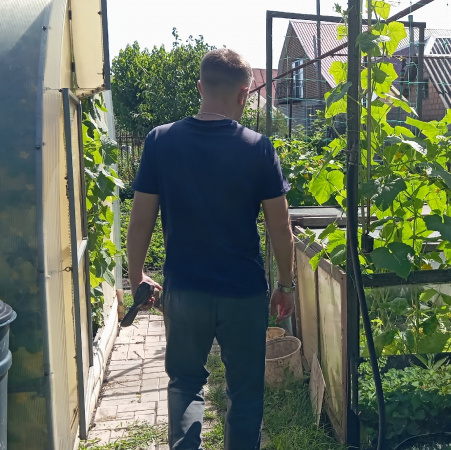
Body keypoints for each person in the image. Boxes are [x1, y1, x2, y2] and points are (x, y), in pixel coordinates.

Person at [126, 48, 295, 450]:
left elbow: (140, 219)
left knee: (185, 383)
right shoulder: (258, 148)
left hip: (185, 290)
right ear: (244, 94)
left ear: (200, 87)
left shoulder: (160, 141)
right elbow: (280, 226)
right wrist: (285, 284)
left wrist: (138, 276)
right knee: (246, 391)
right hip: (243, 291)